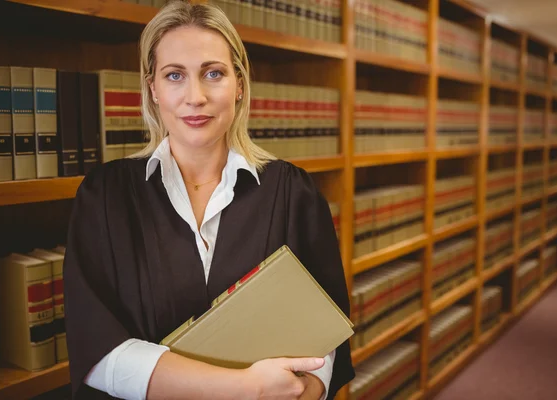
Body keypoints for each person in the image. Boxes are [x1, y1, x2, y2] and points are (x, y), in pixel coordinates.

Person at [63, 1, 355, 399]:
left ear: (239, 85)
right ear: (153, 89)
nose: (195, 96)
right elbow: (97, 351)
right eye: (174, 75)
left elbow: (326, 327)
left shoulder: (293, 192)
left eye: (213, 74)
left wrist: (308, 389)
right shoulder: (105, 197)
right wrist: (244, 388)